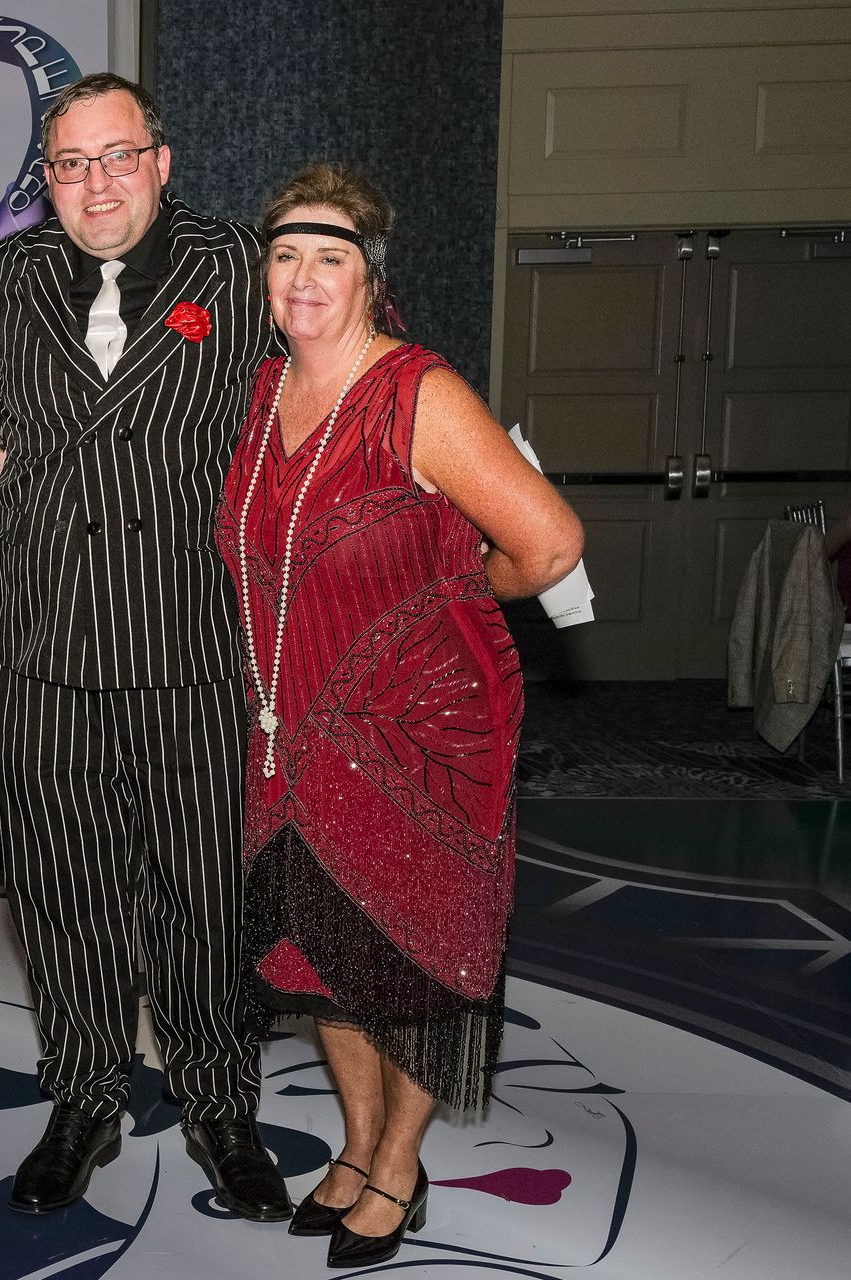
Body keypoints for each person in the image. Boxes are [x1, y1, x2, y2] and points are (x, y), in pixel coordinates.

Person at [216, 163, 582, 1268]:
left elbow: (551, 544)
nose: (304, 275)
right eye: (285, 254)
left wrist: (446, 598)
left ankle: (400, 1166)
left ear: (371, 272)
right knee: (323, 956)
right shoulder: (259, 393)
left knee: (411, 959)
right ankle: (359, 1138)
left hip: (416, 729)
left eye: (330, 254)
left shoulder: (420, 392)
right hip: (291, 725)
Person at [0, 72, 287, 1219]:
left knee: (205, 894)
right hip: (47, 645)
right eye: (69, 164)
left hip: (190, 642)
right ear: (44, 180)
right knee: (64, 894)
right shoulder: (8, 275)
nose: (94, 183)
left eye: (116, 157)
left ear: (162, 160)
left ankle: (217, 1101)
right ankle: (86, 1093)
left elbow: (313, 410)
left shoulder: (239, 269)